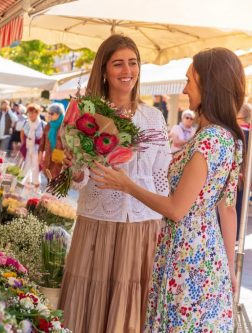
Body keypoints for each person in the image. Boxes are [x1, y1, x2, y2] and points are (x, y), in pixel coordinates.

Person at [91, 48, 245, 332]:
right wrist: (226, 270)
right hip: (207, 256)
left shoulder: (209, 140)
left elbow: (176, 209)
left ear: (209, 85)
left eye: (190, 80)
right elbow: (226, 209)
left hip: (188, 256)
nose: (185, 88)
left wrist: (126, 185)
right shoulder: (229, 138)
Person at [58, 34, 171, 333]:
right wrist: (76, 171)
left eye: (133, 63)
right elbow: (79, 180)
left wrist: (162, 219)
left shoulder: (153, 118)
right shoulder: (86, 115)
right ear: (104, 70)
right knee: (88, 310)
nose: (127, 71)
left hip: (143, 228)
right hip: (98, 223)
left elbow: (162, 178)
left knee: (130, 311)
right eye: (118, 64)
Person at [234, 103, 251, 240]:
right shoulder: (249, 131)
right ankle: (238, 235)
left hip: (236, 173)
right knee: (240, 205)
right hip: (246, 174)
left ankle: (233, 235)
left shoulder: (237, 131)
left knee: (231, 206)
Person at [38, 103, 65, 181]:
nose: (49, 115)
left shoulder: (64, 126)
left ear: (59, 114)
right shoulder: (49, 125)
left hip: (60, 157)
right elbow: (42, 141)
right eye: (49, 113)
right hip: (48, 156)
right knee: (48, 177)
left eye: (51, 113)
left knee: (56, 179)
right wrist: (40, 153)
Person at [20, 104, 44, 188]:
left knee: (36, 167)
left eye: (33, 113)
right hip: (27, 147)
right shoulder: (26, 122)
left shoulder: (42, 124)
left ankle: (36, 186)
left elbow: (44, 139)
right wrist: (24, 143)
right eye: (30, 113)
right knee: (26, 166)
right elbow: (22, 133)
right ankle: (26, 185)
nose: (31, 115)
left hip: (37, 149)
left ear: (37, 113)